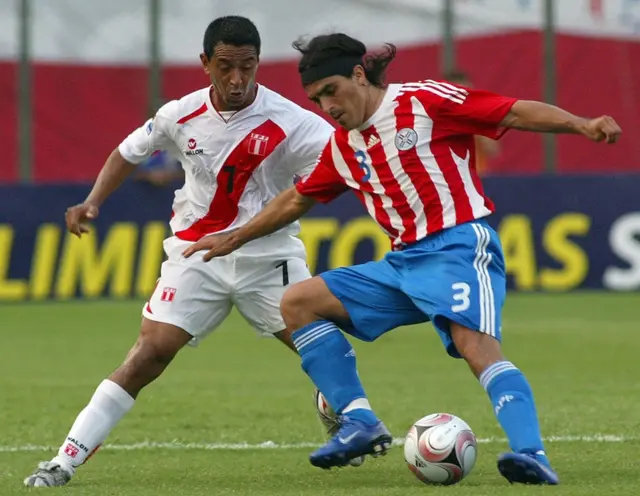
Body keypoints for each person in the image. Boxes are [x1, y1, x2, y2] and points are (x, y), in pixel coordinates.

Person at [182, 33, 621, 484]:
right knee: (298, 302)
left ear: (358, 74)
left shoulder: (423, 100)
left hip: (457, 246)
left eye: (331, 90)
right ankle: (359, 421)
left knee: (476, 348)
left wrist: (580, 124)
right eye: (316, 99)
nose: (327, 106)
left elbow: (511, 110)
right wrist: (233, 237)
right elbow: (296, 200)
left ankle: (532, 454)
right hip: (402, 264)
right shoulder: (342, 146)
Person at [24, 16, 346, 488]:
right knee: (148, 354)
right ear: (205, 64)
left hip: (267, 254)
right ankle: (62, 461)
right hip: (196, 256)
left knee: (326, 349)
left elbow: (345, 156)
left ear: (258, 64)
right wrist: (93, 201)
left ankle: (342, 415)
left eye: (248, 67)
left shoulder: (293, 122)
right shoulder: (179, 114)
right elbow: (128, 151)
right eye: (225, 67)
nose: (237, 80)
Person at [445, 70, 501, 175]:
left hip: (476, 175)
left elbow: (492, 150)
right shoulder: (438, 117)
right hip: (448, 176)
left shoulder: (481, 115)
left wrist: (474, 123)